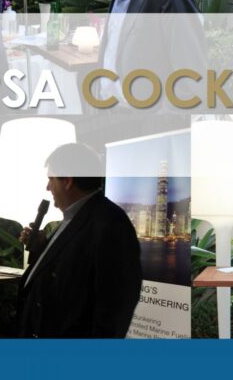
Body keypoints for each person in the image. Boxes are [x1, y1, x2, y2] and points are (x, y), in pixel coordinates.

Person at [16, 143, 142, 338]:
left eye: (51, 179)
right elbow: (69, 269)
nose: (47, 187)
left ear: (67, 180)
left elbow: (113, 309)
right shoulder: (74, 217)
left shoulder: (111, 225)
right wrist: (43, 248)